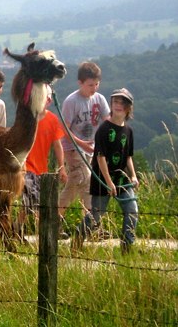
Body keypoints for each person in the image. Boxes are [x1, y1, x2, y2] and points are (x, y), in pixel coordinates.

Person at [72, 88, 138, 254]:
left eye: (122, 102)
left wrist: (134, 176)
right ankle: (77, 241)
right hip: (103, 178)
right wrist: (108, 183)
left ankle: (127, 249)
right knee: (96, 215)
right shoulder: (104, 129)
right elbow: (100, 158)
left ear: (129, 107)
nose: (118, 105)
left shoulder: (128, 131)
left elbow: (128, 156)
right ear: (111, 105)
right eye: (115, 101)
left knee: (132, 210)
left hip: (122, 179)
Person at [58, 62, 111, 238]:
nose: (94, 88)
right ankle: (93, 226)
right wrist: (82, 144)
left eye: (97, 84)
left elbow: (108, 121)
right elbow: (64, 129)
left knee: (72, 188)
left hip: (92, 149)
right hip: (74, 149)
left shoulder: (100, 99)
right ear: (80, 83)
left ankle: (53, 222)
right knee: (88, 184)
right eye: (90, 85)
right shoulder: (71, 101)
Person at [15, 87, 67, 240]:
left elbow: (57, 145)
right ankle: (47, 233)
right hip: (26, 167)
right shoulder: (27, 119)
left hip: (42, 169)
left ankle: (16, 228)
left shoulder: (52, 120)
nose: (46, 101)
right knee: (34, 199)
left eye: (48, 98)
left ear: (50, 101)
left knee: (29, 203)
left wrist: (62, 167)